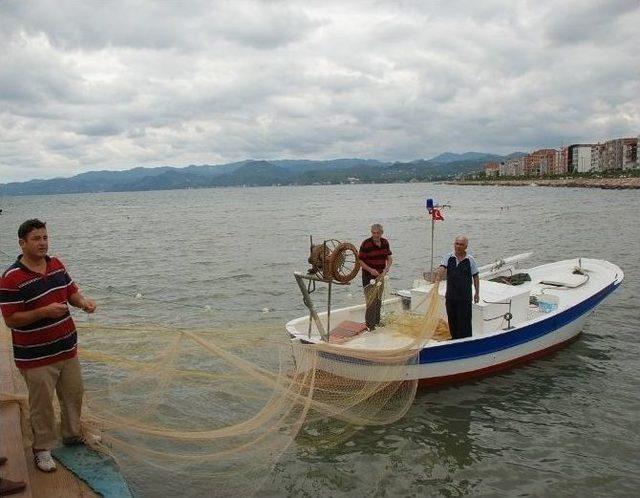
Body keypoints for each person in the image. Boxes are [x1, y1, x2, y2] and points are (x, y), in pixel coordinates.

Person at [0, 220, 96, 473]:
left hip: (67, 348)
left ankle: (73, 436)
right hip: (36, 357)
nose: (43, 243)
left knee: (73, 395)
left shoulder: (56, 265)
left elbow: (71, 291)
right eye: (36, 239)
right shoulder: (12, 278)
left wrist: (83, 303)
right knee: (41, 405)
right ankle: (42, 450)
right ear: (22, 243)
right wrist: (43, 311)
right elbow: (11, 319)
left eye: (45, 237)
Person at [436, 236, 480, 339]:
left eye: (461, 244)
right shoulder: (448, 257)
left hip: (465, 298)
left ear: (466, 246)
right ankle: (454, 340)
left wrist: (477, 293)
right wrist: (438, 278)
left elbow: (476, 276)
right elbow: (442, 268)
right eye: (456, 243)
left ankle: (466, 342)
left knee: (464, 323)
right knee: (452, 322)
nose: (458, 246)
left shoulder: (470, 260)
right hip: (451, 297)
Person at [358, 223, 393, 330]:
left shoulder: (385, 242)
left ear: (382, 233)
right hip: (368, 277)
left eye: (378, 233)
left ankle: (377, 322)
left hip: (381, 276)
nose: (376, 235)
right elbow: (360, 260)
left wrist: (386, 270)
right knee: (371, 302)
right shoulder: (366, 244)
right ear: (371, 233)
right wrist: (370, 270)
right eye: (374, 233)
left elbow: (389, 258)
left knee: (378, 300)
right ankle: (370, 326)